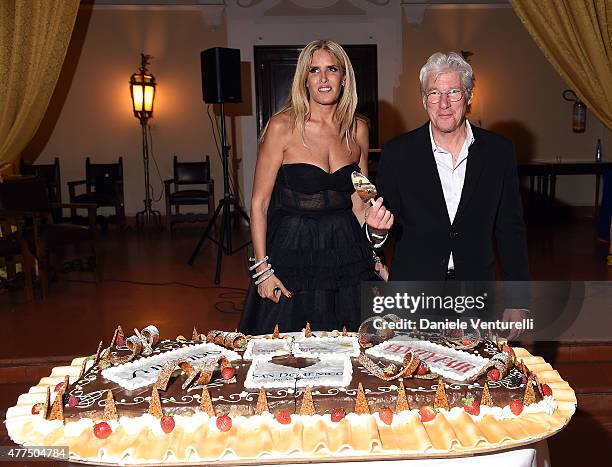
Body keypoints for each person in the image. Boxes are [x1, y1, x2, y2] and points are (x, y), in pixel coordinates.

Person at [238, 39, 393, 335]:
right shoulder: (281, 126)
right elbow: (259, 204)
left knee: (353, 344)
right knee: (283, 349)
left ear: (344, 77)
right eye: (314, 70)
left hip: (344, 245)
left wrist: (374, 254)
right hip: (292, 247)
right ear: (304, 80)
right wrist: (262, 271)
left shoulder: (358, 128)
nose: (323, 78)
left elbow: (361, 202)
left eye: (332, 69)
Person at [376, 52, 529, 339]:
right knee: (413, 379)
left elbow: (511, 228)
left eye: (453, 92)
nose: (443, 103)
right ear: (424, 100)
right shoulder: (398, 153)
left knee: (472, 379)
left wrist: (518, 300)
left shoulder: (499, 152)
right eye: (434, 93)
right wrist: (375, 233)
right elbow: (383, 227)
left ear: (469, 96)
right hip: (413, 296)